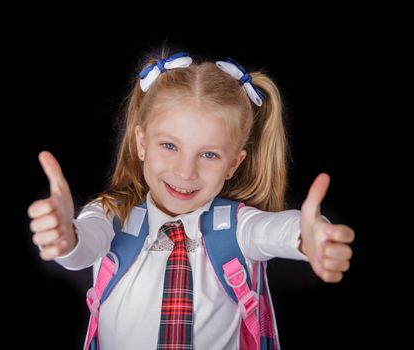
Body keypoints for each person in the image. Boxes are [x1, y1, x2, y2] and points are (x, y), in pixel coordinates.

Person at [28, 52, 355, 350]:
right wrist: (64, 237)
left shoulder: (236, 229)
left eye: (209, 154)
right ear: (142, 144)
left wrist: (309, 237)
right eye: (169, 146)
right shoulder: (113, 215)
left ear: (233, 165)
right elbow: (83, 245)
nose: (186, 172)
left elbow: (275, 231)